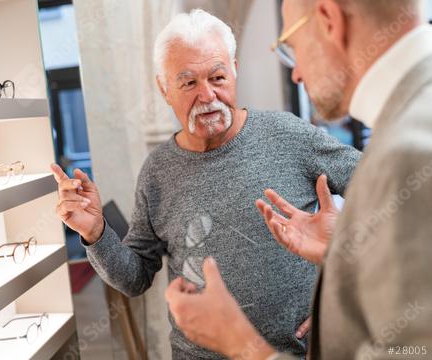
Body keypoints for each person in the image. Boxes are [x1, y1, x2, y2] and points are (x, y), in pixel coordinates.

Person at [51, 9, 360, 359]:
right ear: (164, 89)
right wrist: (95, 233)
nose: (208, 96)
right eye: (188, 83)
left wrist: (341, 290)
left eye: (217, 77)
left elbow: (390, 193)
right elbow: (133, 279)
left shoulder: (290, 135)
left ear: (235, 71)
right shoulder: (157, 171)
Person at [164, 0, 432, 359]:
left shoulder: (409, 151)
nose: (296, 73)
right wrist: (341, 258)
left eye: (291, 44)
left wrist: (240, 343)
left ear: (328, 20)